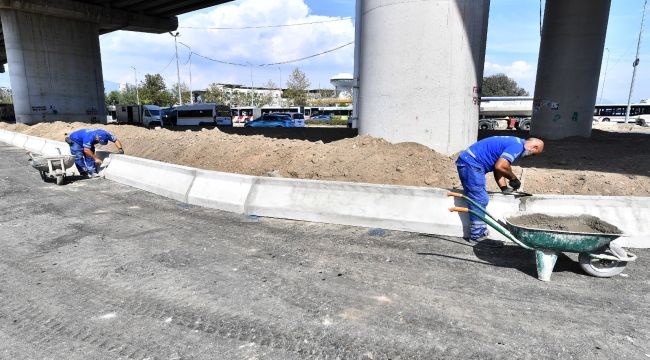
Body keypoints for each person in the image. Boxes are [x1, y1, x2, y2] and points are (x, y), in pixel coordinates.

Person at [455, 136, 544, 243]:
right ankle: (477, 235)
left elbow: (499, 168)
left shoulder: (514, 142)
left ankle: (480, 232)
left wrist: (504, 188)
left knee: (480, 198)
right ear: (534, 147)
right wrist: (513, 178)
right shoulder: (517, 146)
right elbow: (500, 166)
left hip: (471, 162)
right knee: (479, 199)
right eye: (534, 154)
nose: (530, 156)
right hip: (471, 163)